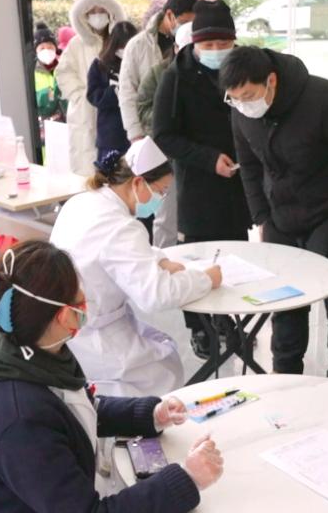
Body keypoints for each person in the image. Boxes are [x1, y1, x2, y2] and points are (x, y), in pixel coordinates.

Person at [0, 240, 223, 512]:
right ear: (62, 316)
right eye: (79, 302)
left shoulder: (31, 352)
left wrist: (150, 414)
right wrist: (187, 478)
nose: (85, 309)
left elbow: (77, 407)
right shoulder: (19, 419)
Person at [221, 46, 328, 375]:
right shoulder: (241, 111)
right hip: (280, 217)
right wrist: (261, 216)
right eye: (234, 98)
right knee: (285, 307)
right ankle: (286, 381)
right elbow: (249, 166)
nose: (242, 104)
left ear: (272, 80)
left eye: (249, 95)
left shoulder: (325, 99)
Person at [49, 138, 222, 396]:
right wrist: (206, 279)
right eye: (161, 192)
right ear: (138, 182)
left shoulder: (85, 201)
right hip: (92, 336)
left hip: (67, 328)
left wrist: (159, 259)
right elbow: (156, 295)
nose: (161, 200)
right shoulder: (123, 226)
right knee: (165, 372)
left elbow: (109, 248)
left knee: (160, 352)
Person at [153, 0, 252, 359]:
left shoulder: (245, 68)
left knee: (234, 253)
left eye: (222, 45)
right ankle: (200, 328)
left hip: (238, 182)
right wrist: (210, 160)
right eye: (207, 46)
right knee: (194, 258)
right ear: (193, 43)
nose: (215, 52)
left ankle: (231, 321)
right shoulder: (175, 78)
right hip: (197, 182)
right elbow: (164, 135)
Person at [54, 0, 127, 176]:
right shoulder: (76, 44)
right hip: (84, 111)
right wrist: (79, 95)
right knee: (85, 164)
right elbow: (63, 72)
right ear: (83, 16)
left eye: (101, 10)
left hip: (114, 111)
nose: (97, 15)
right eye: (92, 12)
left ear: (111, 13)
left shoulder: (120, 42)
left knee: (116, 169)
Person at [136, 21, 194, 249]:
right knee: (166, 215)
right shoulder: (161, 73)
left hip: (200, 155)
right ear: (177, 48)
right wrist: (169, 123)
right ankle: (164, 257)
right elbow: (142, 106)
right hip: (166, 155)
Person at [118, 0, 198, 143]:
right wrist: (135, 134)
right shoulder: (138, 45)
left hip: (188, 134)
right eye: (185, 22)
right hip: (150, 131)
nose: (189, 27)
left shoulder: (193, 40)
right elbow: (127, 91)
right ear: (169, 15)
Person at [87, 20, 138, 162]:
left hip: (136, 132)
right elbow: (92, 95)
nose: (124, 50)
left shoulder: (138, 62)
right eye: (121, 46)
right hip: (111, 134)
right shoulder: (100, 64)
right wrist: (114, 91)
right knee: (110, 178)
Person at [33, 22, 65, 122]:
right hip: (42, 122)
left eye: (50, 47)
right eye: (42, 48)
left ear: (56, 49)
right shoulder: (32, 72)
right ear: (36, 51)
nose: (46, 50)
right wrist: (51, 92)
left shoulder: (63, 68)